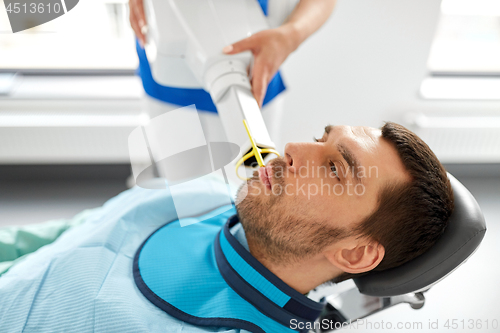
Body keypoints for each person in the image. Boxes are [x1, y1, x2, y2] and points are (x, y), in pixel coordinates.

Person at [0, 122, 454, 332]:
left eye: (336, 169)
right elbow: (54, 239)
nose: (293, 147)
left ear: (354, 255)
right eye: (321, 139)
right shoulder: (199, 195)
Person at [129, 0, 337, 156]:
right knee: (182, 195)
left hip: (254, 68)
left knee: (252, 178)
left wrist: (290, 35)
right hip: (171, 80)